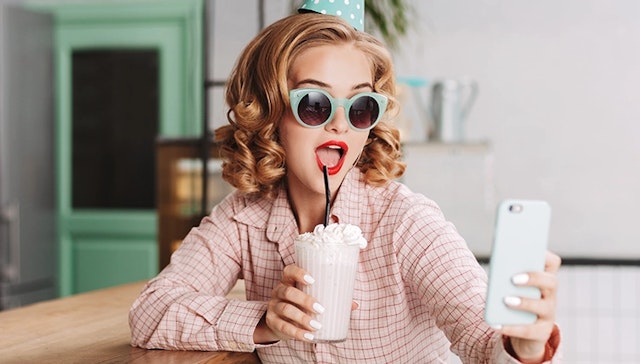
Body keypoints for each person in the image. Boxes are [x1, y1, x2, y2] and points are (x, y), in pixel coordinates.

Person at [129, 2, 562, 363]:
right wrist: (264, 321)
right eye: (315, 103)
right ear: (268, 113)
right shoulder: (243, 220)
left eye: (360, 106)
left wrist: (521, 347)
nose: (340, 124)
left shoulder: (405, 222)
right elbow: (150, 313)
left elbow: (481, 339)